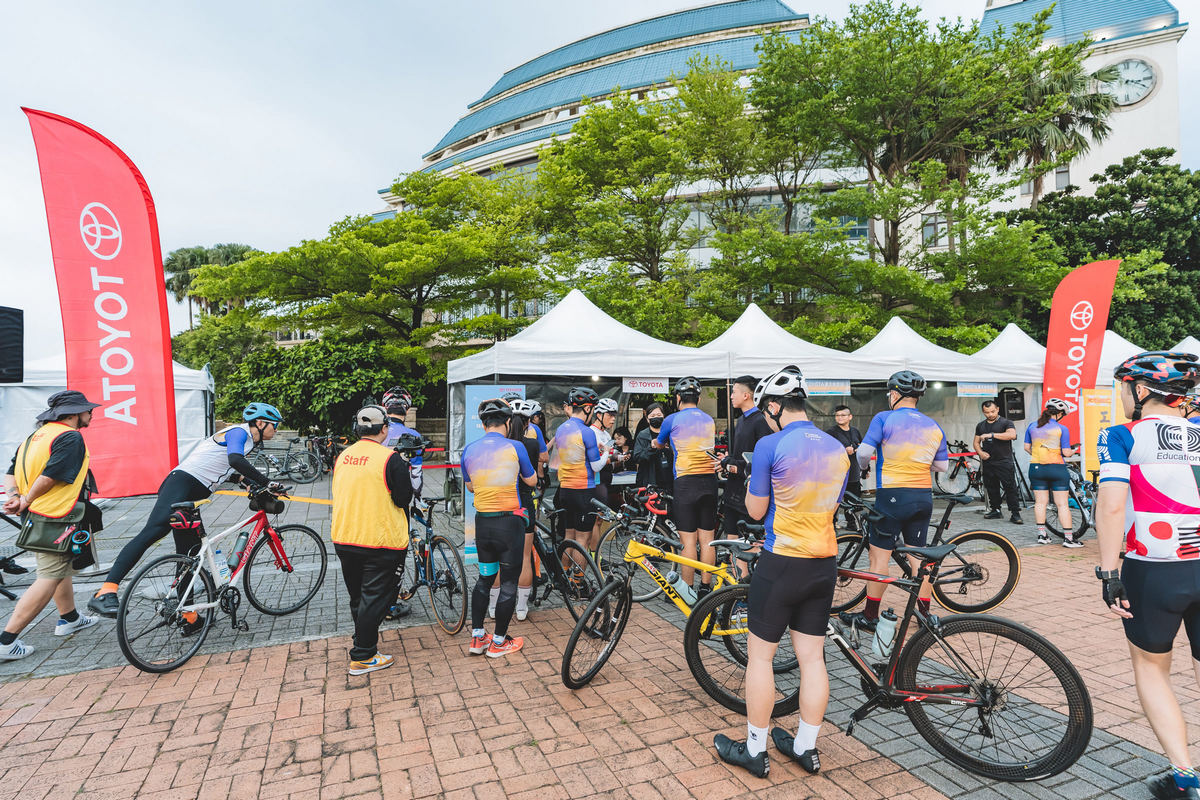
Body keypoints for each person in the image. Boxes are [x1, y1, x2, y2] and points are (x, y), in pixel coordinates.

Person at [713, 366, 848, 778]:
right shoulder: (837, 447)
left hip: (782, 561)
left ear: (773, 406)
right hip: (823, 563)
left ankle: (755, 750)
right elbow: (833, 507)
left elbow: (755, 511)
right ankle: (806, 746)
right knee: (813, 659)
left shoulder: (771, 444)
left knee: (761, 658)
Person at [1093, 351, 1200, 800]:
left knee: (1153, 669)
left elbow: (1112, 505)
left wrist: (1109, 572)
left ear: (1139, 390)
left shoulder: (1120, 435)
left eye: (1122, 388)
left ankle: (1185, 779)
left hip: (1153, 572)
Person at [88, 402, 283, 618]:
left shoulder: (247, 441)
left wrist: (245, 481)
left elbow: (222, 466)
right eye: (275, 425)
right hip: (181, 485)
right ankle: (105, 592)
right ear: (260, 423)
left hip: (191, 493)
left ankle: (188, 616)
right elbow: (234, 459)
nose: (276, 429)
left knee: (189, 554)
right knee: (153, 532)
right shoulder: (240, 432)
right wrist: (267, 481)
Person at [841, 371, 948, 632]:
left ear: (895, 394)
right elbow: (942, 466)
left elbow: (863, 454)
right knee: (918, 558)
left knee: (879, 558)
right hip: (923, 495)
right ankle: (924, 616)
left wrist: (864, 467)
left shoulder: (884, 418)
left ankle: (870, 616)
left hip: (892, 495)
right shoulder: (933, 425)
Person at [0, 392, 103, 660]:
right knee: (49, 575)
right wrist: (25, 499)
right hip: (56, 516)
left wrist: (15, 497)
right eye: (88, 410)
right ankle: (6, 641)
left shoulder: (35, 437)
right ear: (73, 414)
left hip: (35, 515)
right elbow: (51, 477)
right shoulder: (70, 437)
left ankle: (69, 618)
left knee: (60, 567)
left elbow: (10, 473)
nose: (91, 414)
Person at [330, 405, 413, 675]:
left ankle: (361, 638)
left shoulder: (343, 456)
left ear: (358, 429)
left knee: (359, 596)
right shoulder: (390, 459)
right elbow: (403, 498)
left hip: (345, 537)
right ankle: (363, 655)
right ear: (384, 429)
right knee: (376, 598)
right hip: (380, 540)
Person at [463, 399, 537, 658]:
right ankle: (498, 642)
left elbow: (470, 487)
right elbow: (532, 480)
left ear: (484, 425)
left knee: (485, 578)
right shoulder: (516, 446)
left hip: (483, 523)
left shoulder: (469, 449)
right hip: (510, 524)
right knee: (508, 582)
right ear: (507, 422)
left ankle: (477, 638)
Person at [654, 377, 718, 596]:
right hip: (709, 481)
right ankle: (706, 588)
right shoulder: (709, 419)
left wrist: (657, 443)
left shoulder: (671, 419)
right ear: (698, 399)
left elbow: (659, 444)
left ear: (678, 398)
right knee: (707, 540)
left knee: (688, 541)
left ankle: (687, 590)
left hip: (685, 483)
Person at [381, 386, 421, 621]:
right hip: (401, 499)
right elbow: (416, 474)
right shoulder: (413, 435)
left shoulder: (379, 433)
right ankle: (391, 603)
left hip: (377, 498)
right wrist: (418, 500)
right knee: (398, 549)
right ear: (406, 409)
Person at [552, 387, 607, 552]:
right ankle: (577, 571)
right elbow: (596, 466)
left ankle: (565, 568)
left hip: (564, 490)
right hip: (583, 491)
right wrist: (606, 452)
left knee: (569, 537)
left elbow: (555, 462)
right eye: (593, 409)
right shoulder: (586, 431)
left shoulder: (561, 429)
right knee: (583, 540)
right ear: (587, 409)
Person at [1024, 398, 1080, 547]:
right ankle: (1069, 539)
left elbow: (1026, 447)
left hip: (1036, 468)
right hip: (1057, 469)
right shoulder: (1062, 429)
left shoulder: (1032, 426)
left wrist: (1039, 455)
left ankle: (1042, 535)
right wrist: (1074, 449)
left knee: (1040, 503)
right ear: (1060, 413)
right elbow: (1066, 453)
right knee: (1062, 504)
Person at [722, 376, 773, 540]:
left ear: (746, 395)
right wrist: (727, 460)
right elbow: (739, 453)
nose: (731, 396)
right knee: (731, 540)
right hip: (733, 492)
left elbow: (760, 460)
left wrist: (731, 464)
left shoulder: (761, 421)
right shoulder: (741, 419)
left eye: (734, 392)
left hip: (750, 493)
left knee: (749, 544)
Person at [973, 400, 1023, 524]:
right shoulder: (980, 425)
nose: (990, 414)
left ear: (998, 409)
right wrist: (980, 452)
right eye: (987, 412)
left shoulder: (1006, 422)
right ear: (983, 412)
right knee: (991, 487)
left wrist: (992, 435)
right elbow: (976, 442)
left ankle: (1015, 513)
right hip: (988, 462)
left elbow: (1011, 435)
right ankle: (995, 510)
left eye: (992, 411)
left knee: (1010, 488)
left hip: (1004, 461)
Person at [825, 404, 864, 530]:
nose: (839, 417)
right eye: (837, 415)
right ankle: (831, 524)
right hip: (837, 473)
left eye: (843, 415)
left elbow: (861, 447)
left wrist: (866, 468)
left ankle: (852, 524)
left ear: (850, 417)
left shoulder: (855, 431)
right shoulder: (831, 432)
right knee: (835, 499)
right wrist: (842, 450)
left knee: (852, 501)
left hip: (853, 472)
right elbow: (825, 450)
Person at [631, 403, 673, 492]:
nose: (656, 417)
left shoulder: (670, 434)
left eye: (659, 415)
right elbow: (637, 457)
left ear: (663, 417)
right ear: (647, 419)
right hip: (649, 480)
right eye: (652, 416)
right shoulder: (642, 435)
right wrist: (651, 448)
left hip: (669, 480)